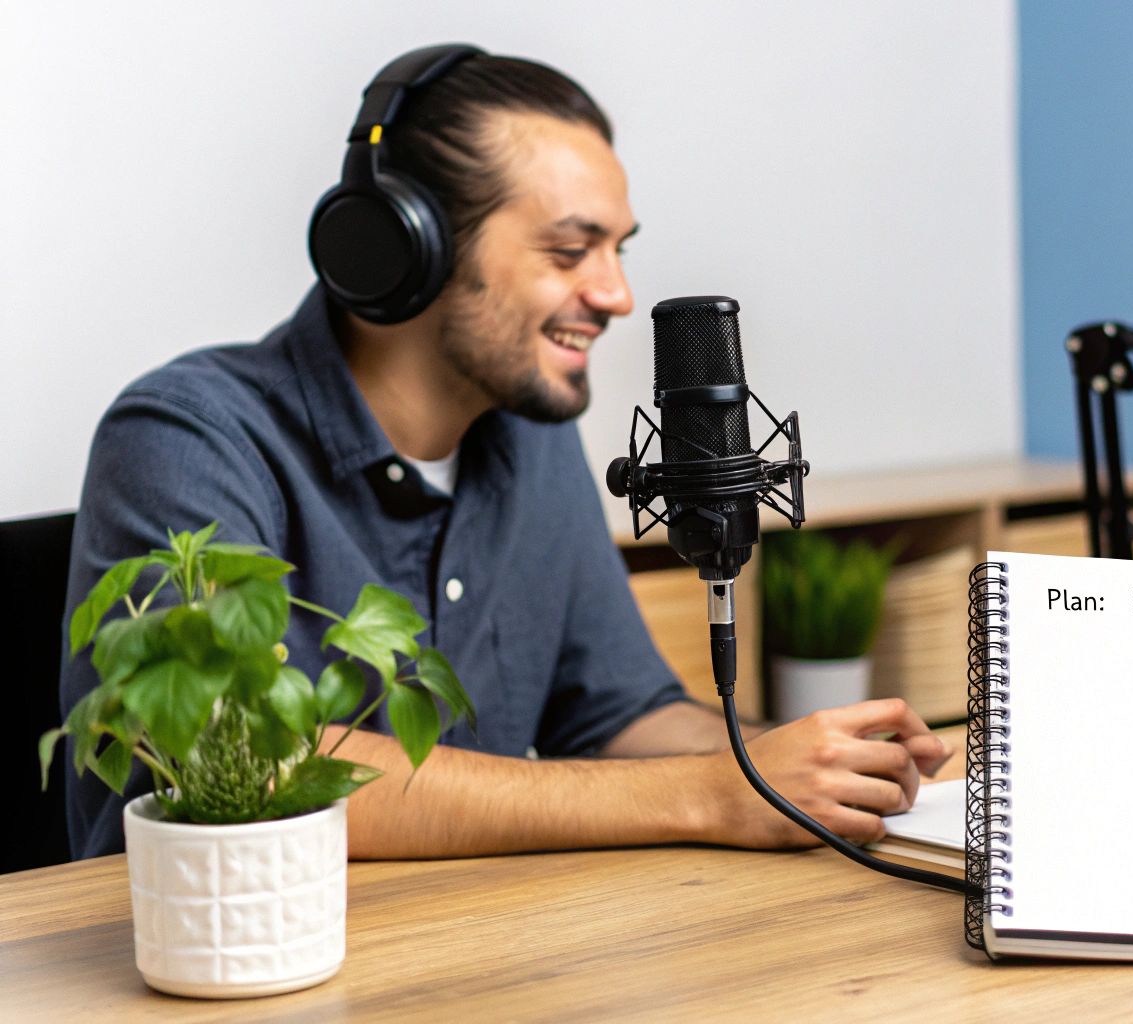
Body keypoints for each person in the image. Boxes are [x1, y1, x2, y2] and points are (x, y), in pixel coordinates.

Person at [60, 45, 949, 860]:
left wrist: (804, 767)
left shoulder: (533, 435)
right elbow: (243, 766)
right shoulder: (185, 438)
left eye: (616, 250)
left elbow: (618, 713)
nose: (616, 294)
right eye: (571, 250)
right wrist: (707, 795)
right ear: (408, 246)